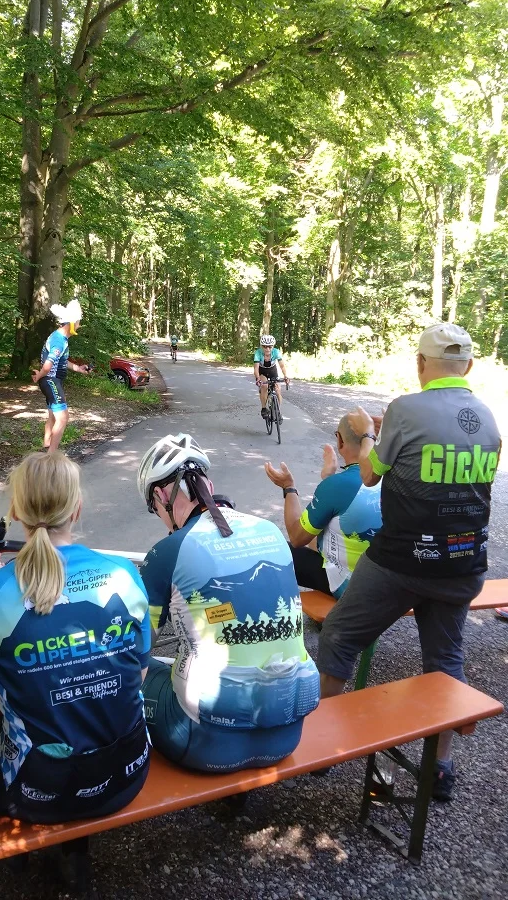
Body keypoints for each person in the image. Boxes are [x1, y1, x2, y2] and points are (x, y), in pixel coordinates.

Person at [316, 324, 501, 801]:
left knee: (340, 635)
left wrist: (374, 434)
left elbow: (370, 476)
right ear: (470, 367)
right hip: (463, 565)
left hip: (401, 562)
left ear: (420, 365)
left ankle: (318, 747)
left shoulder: (404, 408)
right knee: (445, 661)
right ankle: (440, 769)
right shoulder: (489, 419)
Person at [0, 451, 151, 833]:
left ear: (15, 510)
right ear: (76, 509)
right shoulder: (124, 573)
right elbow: (137, 676)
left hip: (34, 791)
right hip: (125, 775)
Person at [137, 434, 319, 773]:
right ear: (209, 482)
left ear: (162, 495)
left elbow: (136, 652)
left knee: (134, 677)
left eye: (155, 509)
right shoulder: (270, 530)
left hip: (202, 747)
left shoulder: (168, 550)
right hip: (287, 736)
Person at [264, 415, 382, 598]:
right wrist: (329, 479)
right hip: (390, 582)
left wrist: (289, 487)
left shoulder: (338, 485)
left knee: (273, 550)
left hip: (354, 587)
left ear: (340, 441)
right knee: (323, 528)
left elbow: (297, 537)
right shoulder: (395, 475)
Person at [32, 298, 91, 452]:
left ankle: (46, 446)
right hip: (51, 381)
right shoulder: (59, 341)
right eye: (78, 322)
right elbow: (48, 365)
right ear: (71, 323)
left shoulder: (61, 338)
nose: (79, 325)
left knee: (52, 416)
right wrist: (39, 376)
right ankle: (51, 455)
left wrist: (78, 368)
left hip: (50, 380)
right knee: (63, 417)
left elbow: (61, 361)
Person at [254, 334, 290, 419]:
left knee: (278, 390)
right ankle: (263, 408)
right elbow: (256, 368)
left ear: (273, 346)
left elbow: (282, 366)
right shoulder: (258, 353)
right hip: (262, 371)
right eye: (265, 347)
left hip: (272, 370)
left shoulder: (276, 352)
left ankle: (278, 412)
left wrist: (285, 376)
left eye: (270, 347)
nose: (267, 349)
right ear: (262, 346)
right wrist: (258, 378)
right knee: (264, 386)